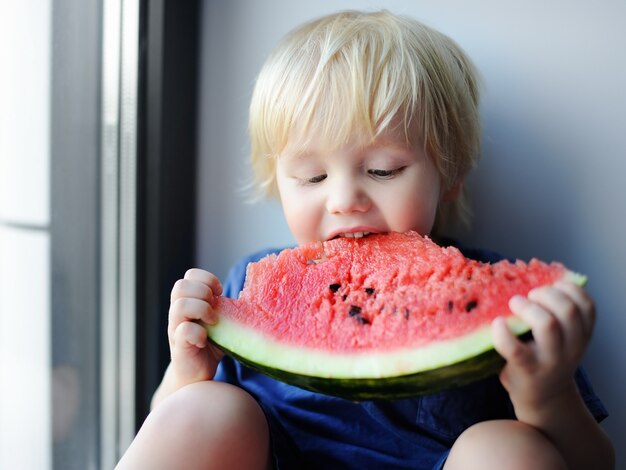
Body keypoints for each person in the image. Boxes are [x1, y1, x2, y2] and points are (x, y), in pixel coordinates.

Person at [116, 10, 614, 470]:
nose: (344, 199)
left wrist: (546, 396)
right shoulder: (247, 286)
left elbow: (592, 462)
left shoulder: (515, 309)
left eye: (383, 169)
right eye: (311, 177)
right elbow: (167, 426)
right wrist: (188, 372)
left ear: (452, 175)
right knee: (203, 409)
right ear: (277, 183)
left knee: (506, 449)